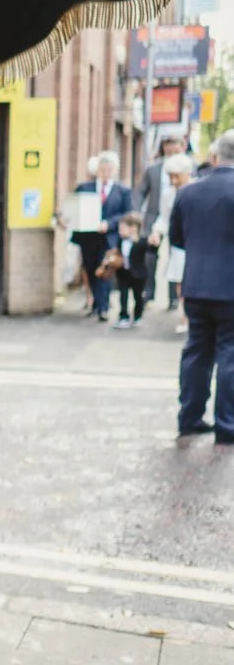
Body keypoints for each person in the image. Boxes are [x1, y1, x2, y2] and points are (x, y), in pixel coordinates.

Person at [169, 129, 234, 444]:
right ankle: (227, 424)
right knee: (230, 354)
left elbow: (177, 238)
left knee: (196, 351)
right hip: (231, 289)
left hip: (196, 285)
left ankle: (190, 417)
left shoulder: (189, 192)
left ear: (215, 156)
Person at [71, 150, 134, 321]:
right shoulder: (85, 188)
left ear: (114, 170)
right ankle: (97, 302)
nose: (105, 172)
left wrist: (110, 224)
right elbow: (75, 208)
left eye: (109, 169)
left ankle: (103, 308)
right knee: (91, 269)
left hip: (110, 238)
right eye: (102, 169)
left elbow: (127, 213)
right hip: (89, 238)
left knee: (105, 270)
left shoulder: (123, 191)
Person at [138, 131, 187, 304]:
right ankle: (149, 292)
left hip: (180, 219)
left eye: (175, 144)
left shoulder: (189, 168)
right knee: (150, 257)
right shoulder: (153, 169)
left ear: (182, 147)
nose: (171, 148)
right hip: (156, 217)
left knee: (177, 256)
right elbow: (141, 192)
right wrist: (137, 213)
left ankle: (174, 297)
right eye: (167, 144)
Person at [150, 152, 197, 317]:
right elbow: (164, 218)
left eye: (177, 176)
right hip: (178, 243)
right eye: (170, 176)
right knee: (178, 279)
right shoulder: (168, 193)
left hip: (196, 242)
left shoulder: (197, 190)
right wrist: (156, 232)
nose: (173, 181)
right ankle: (184, 315)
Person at [107, 212, 155, 328]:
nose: (120, 231)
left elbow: (151, 250)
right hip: (123, 272)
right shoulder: (120, 240)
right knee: (123, 295)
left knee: (138, 296)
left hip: (138, 275)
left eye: (122, 229)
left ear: (133, 229)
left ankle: (138, 316)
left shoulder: (141, 241)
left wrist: (154, 244)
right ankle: (124, 316)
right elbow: (117, 252)